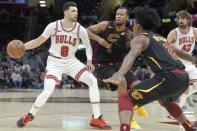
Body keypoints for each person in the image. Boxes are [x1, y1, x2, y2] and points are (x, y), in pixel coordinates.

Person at [16, 2, 111, 130]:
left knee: (92, 80)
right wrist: (23, 46)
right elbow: (39, 41)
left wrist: (89, 60)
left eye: (77, 11)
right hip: (54, 62)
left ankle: (96, 117)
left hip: (71, 62)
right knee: (47, 91)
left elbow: (88, 46)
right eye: (73, 11)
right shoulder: (53, 26)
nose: (76, 13)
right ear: (65, 12)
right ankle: (29, 115)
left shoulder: (80, 29)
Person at [103, 7, 197, 131]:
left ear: (138, 26)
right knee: (166, 101)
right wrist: (194, 59)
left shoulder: (140, 38)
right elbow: (179, 52)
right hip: (183, 77)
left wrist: (118, 74)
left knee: (125, 98)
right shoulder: (160, 38)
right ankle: (189, 128)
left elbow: (131, 56)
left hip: (168, 77)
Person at [87, 6, 147, 130]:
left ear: (127, 17)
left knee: (138, 85)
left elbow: (137, 48)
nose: (118, 16)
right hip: (102, 65)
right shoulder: (105, 25)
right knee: (122, 81)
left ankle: (135, 105)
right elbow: (87, 30)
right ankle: (130, 118)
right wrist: (99, 39)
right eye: (117, 14)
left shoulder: (129, 34)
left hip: (118, 66)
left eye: (121, 15)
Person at [167, 10, 197, 109]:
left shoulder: (194, 31)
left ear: (188, 20)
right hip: (177, 62)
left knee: (194, 86)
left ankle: (185, 99)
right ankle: (181, 104)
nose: (180, 20)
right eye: (179, 19)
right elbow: (165, 46)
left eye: (183, 18)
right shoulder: (174, 32)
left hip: (189, 61)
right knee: (186, 87)